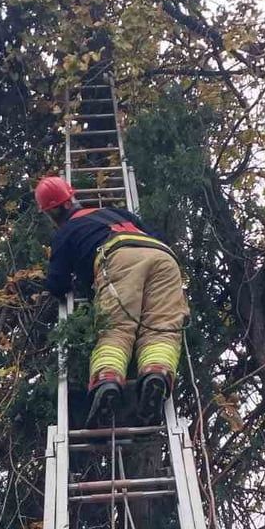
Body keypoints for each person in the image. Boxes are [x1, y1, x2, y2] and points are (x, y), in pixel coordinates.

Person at [35, 175, 188, 426]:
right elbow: (154, 234)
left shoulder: (66, 232)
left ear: (51, 212)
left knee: (116, 329)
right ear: (71, 197)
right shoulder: (116, 213)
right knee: (162, 326)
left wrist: (78, 282)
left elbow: (57, 283)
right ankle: (156, 373)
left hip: (118, 257)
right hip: (163, 258)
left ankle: (107, 380)